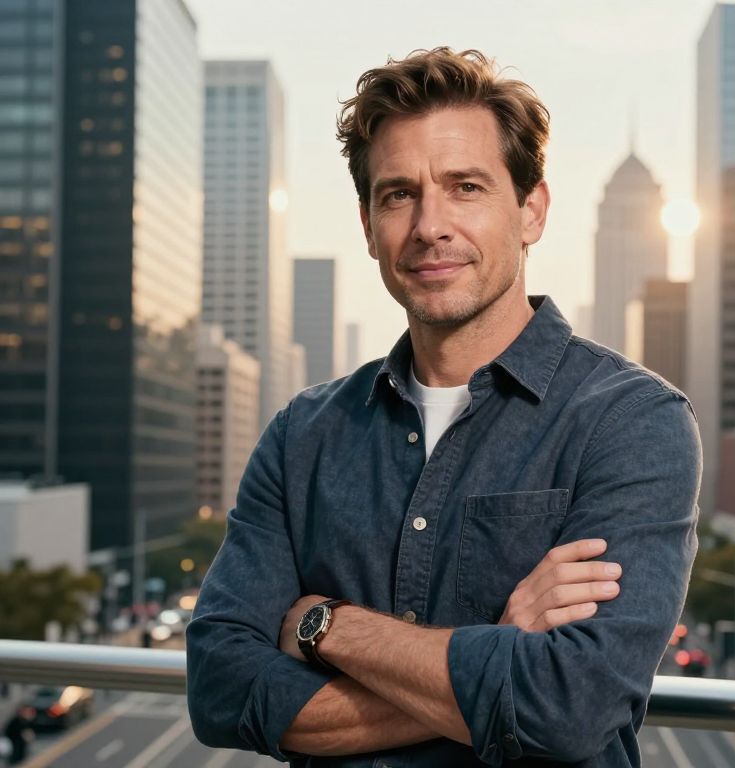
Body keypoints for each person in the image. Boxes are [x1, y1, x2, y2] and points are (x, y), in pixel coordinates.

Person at [187, 48, 701, 767]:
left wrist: (322, 626)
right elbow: (220, 689)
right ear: (369, 226)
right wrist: (498, 643)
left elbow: (571, 707)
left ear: (531, 210)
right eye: (398, 194)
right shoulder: (303, 435)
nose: (430, 224)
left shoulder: (631, 422)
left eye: (465, 187)